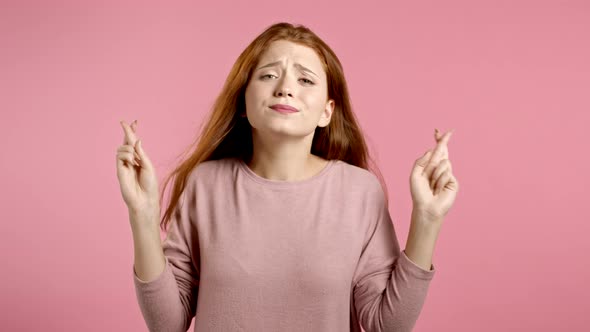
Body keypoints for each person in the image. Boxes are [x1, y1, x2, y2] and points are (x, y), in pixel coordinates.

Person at [116, 22, 458, 332]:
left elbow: (388, 325)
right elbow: (166, 323)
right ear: (244, 103)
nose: (285, 88)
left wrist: (427, 220)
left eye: (305, 79)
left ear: (327, 111)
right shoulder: (206, 185)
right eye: (268, 75)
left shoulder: (359, 191)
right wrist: (142, 215)